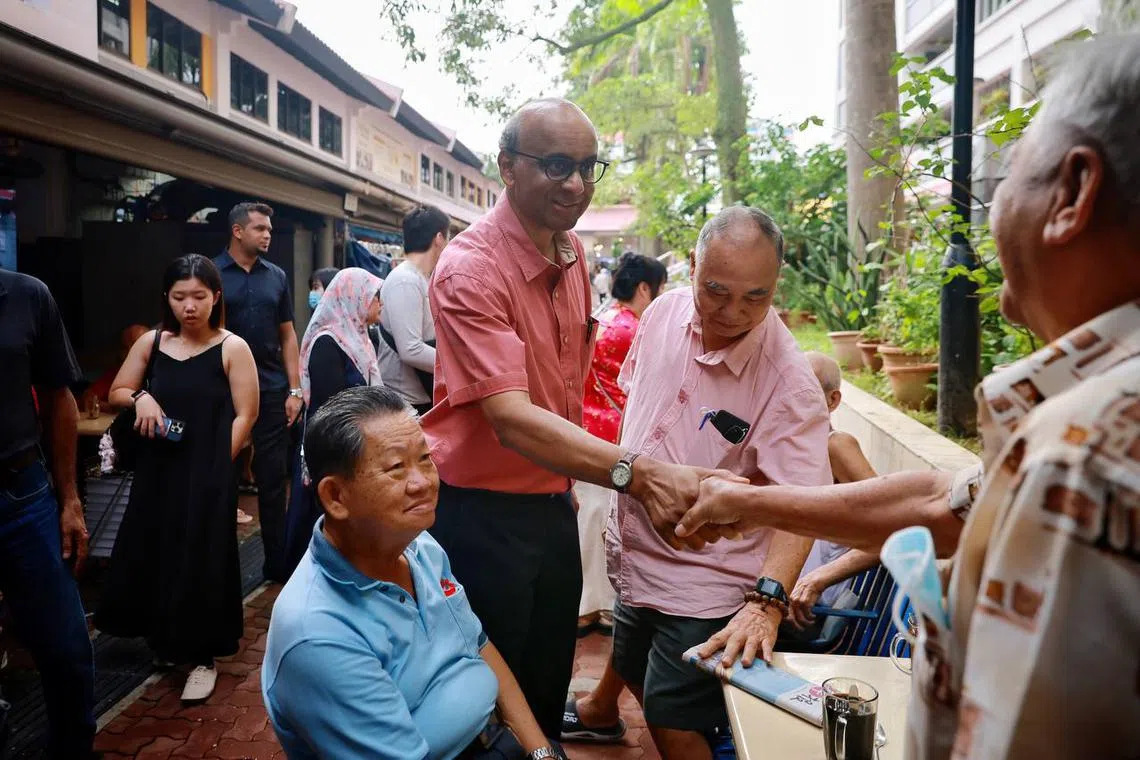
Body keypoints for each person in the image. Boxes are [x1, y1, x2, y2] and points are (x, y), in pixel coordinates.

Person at [683, 35, 1140, 759]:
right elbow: (940, 501)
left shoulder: (1085, 459)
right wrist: (745, 501)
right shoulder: (1076, 424)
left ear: (1073, 194)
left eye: (1011, 172)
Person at [423, 97, 731, 739]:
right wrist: (637, 474)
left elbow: (572, 387)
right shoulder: (472, 268)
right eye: (557, 164)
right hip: (483, 516)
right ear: (507, 166)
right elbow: (512, 418)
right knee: (483, 698)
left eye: (590, 167)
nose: (577, 184)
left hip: (551, 505)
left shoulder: (570, 256)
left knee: (541, 680)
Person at [599, 207, 831, 760]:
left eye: (756, 297)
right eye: (717, 290)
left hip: (709, 579)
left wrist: (766, 603)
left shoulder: (789, 381)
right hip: (636, 555)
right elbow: (641, 404)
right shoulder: (661, 313)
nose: (733, 312)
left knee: (671, 711)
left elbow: (805, 505)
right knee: (632, 668)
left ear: (777, 285)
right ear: (694, 266)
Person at [263, 386, 566, 760]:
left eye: (425, 459)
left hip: (497, 738)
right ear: (336, 497)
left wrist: (540, 753)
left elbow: (480, 645)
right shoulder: (317, 633)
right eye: (396, 468)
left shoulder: (420, 548)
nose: (423, 481)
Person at [96, 254, 258, 703]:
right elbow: (117, 392)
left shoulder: (231, 347)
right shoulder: (152, 342)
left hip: (207, 472)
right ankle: (165, 641)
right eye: (179, 296)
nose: (189, 306)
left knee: (204, 557)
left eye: (199, 297)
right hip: (158, 470)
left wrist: (215, 463)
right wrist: (142, 398)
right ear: (167, 299)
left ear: (216, 298)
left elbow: (247, 414)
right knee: (157, 549)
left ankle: (203, 657)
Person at [0, 269, 96, 758]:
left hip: (21, 490)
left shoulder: (26, 295)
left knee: (65, 646)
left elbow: (60, 399)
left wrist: (70, 499)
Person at [214, 202, 302, 583]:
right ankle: (219, 571)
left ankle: (276, 566)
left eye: (269, 229)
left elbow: (288, 335)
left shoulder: (277, 277)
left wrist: (295, 389)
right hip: (221, 391)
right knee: (220, 478)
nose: (267, 234)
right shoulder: (211, 274)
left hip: (270, 390)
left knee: (271, 480)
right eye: (260, 229)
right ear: (237, 231)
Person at [282, 267, 384, 576]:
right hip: (333, 447)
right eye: (374, 298)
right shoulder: (328, 342)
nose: (379, 304)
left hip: (354, 440)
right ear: (355, 299)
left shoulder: (359, 338)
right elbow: (330, 406)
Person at [787, 352, 880, 632]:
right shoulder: (785, 449)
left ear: (833, 400)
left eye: (806, 391)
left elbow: (896, 526)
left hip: (809, 611)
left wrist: (815, 580)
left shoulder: (836, 446)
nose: (792, 398)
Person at [377, 205, 450, 415]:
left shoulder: (421, 278)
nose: (448, 245)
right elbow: (411, 350)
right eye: (448, 238)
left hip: (421, 395)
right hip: (405, 402)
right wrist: (457, 364)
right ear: (438, 238)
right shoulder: (405, 280)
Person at [82, 323, 150, 406]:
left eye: (136, 345)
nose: (130, 351)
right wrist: (110, 407)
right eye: (124, 347)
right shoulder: (115, 375)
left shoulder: (162, 373)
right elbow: (89, 397)